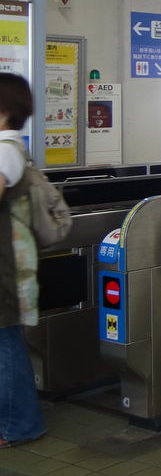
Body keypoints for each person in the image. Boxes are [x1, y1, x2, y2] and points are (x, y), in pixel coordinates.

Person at [0, 75, 45, 449]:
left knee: (5, 342)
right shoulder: (12, 147)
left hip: (5, 266)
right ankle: (17, 420)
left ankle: (20, 424)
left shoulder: (5, 150)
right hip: (10, 262)